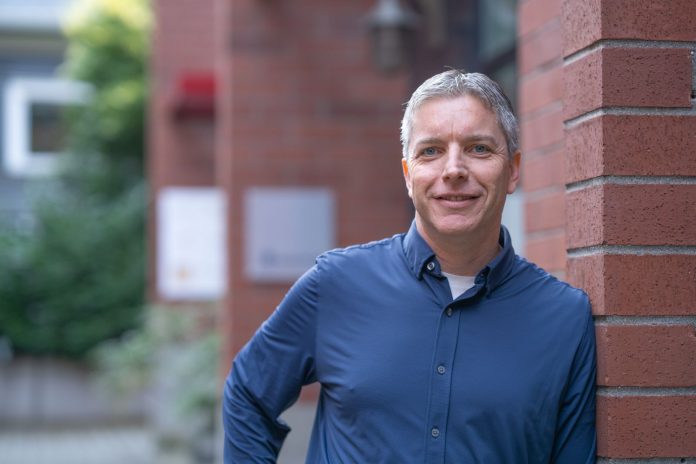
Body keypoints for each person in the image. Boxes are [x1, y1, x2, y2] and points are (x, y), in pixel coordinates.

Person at [222, 70, 597, 463]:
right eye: (431, 151)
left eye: (479, 149)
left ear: (513, 170)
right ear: (407, 174)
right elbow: (248, 393)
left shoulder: (564, 320)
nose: (453, 170)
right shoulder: (336, 286)